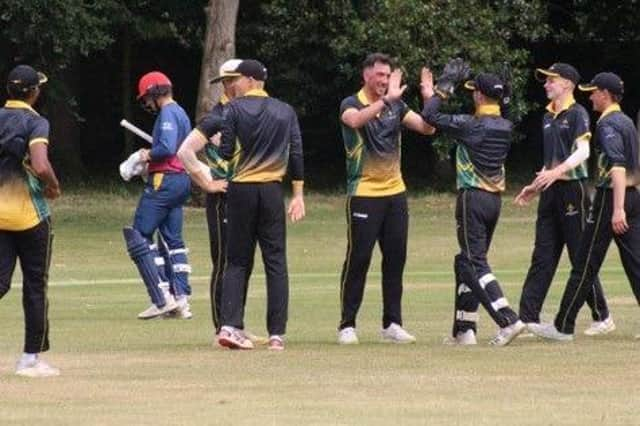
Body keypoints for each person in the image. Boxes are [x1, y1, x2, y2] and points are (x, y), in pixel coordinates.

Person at [195, 59, 305, 351]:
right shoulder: (285, 111)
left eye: (239, 80)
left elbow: (228, 151)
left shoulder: (233, 109)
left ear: (251, 80)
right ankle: (277, 334)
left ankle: (230, 325)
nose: (235, 85)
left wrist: (220, 143)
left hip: (241, 189)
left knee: (237, 260)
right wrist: (298, 194)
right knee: (276, 261)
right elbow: (296, 153)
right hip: (272, 190)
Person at [529, 72, 640, 341]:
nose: (589, 97)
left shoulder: (608, 124)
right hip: (633, 195)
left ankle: (562, 326)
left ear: (605, 94)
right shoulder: (626, 121)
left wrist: (617, 209)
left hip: (610, 198)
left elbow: (617, 166)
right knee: (635, 262)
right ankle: (566, 323)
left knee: (584, 264)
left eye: (593, 92)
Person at [421, 61, 525, 346]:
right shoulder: (505, 125)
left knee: (474, 262)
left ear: (479, 95)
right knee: (464, 263)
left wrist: (444, 86)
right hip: (493, 201)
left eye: (473, 92)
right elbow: (504, 107)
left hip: (472, 198)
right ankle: (465, 330)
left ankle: (508, 319)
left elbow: (429, 115)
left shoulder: (470, 125)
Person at [337, 53, 435, 345]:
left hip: (395, 194)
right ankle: (347, 324)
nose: (383, 80)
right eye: (379, 75)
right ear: (366, 76)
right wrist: (387, 100)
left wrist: (431, 98)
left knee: (395, 260)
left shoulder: (396, 105)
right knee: (359, 259)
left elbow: (427, 128)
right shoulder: (351, 103)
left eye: (387, 75)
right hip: (364, 194)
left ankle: (392, 324)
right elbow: (354, 121)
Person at [514, 63, 613, 336]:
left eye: (551, 80)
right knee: (542, 255)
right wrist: (535, 187)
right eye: (545, 81)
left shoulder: (578, 113)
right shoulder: (547, 116)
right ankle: (527, 318)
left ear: (567, 84)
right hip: (551, 193)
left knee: (579, 255)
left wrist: (557, 172)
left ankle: (602, 315)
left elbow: (583, 152)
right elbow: (550, 163)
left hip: (574, 191)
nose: (546, 85)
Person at [178, 59, 264, 344]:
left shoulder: (249, 114)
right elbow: (185, 152)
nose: (229, 86)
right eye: (226, 81)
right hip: (223, 199)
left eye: (233, 79)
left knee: (243, 262)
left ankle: (235, 322)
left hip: (247, 195)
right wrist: (207, 183)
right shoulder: (217, 117)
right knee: (226, 261)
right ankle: (222, 327)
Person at [0, 64, 61, 377]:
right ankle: (30, 359)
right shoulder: (36, 122)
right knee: (35, 286)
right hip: (30, 216)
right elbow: (40, 164)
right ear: (34, 92)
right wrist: (53, 185)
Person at [122, 71, 194, 320]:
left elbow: (165, 149)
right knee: (172, 240)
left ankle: (161, 296)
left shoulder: (168, 113)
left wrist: (143, 156)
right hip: (181, 179)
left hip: (165, 180)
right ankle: (181, 298)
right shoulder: (181, 112)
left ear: (154, 93)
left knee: (139, 234)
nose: (147, 103)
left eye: (146, 98)